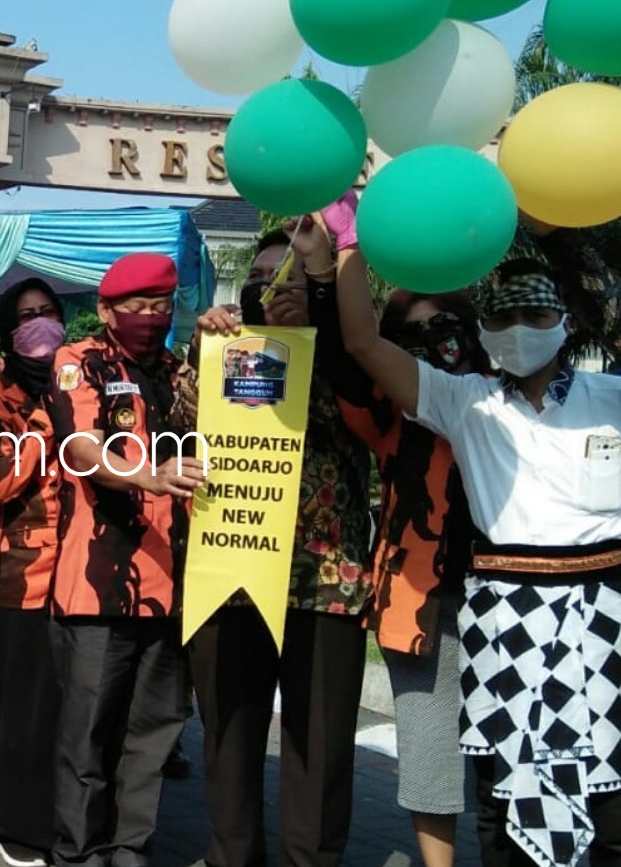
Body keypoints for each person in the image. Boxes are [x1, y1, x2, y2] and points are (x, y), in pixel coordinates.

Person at [332, 220, 621, 867]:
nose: (522, 323)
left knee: (610, 790)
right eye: (507, 313)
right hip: (506, 614)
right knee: (504, 794)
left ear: (565, 319)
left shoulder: (613, 397)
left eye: (536, 310)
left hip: (604, 616)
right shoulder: (465, 401)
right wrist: (349, 237)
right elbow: (361, 341)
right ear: (486, 328)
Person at [180, 219, 373, 867]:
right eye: (258, 279)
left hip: (325, 580)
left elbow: (368, 405)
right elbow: (178, 424)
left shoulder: (347, 351)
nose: (270, 289)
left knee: (318, 749)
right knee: (228, 738)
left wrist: (318, 315)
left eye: (285, 276)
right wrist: (198, 350)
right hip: (229, 571)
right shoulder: (219, 351)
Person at [304, 195, 485, 867]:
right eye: (418, 336)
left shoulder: (498, 397)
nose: (441, 350)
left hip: (516, 584)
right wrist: (345, 249)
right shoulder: (384, 414)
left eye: (451, 331)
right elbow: (354, 347)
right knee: (431, 744)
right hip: (420, 587)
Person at [46, 253, 203, 867]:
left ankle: (130, 849)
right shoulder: (79, 361)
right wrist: (149, 476)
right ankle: (78, 854)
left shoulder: (182, 369)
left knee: (154, 732)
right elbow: (81, 448)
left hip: (175, 584)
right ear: (107, 310)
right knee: (88, 737)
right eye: (134, 308)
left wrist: (226, 332)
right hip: (98, 583)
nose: (148, 318)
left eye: (159, 307)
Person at [0, 278, 65, 867]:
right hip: (21, 576)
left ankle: (71, 819)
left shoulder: (86, 382)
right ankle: (19, 823)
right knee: (22, 707)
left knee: (72, 707)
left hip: (88, 574)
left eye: (48, 313)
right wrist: (45, 434)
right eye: (25, 317)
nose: (39, 325)